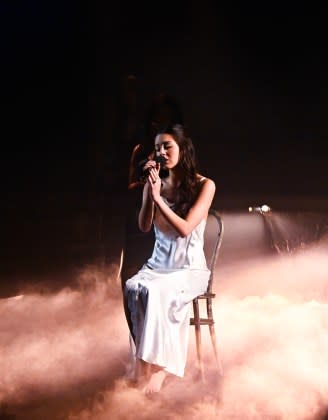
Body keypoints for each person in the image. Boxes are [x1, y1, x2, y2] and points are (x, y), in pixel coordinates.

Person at [125, 122, 216, 394]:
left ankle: (156, 370)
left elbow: (185, 229)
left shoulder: (205, 185)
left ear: (182, 149)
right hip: (158, 265)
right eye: (157, 148)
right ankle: (148, 366)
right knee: (134, 287)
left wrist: (159, 199)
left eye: (168, 146)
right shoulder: (154, 185)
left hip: (188, 269)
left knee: (155, 292)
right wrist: (149, 195)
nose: (162, 152)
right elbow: (143, 226)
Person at [120, 91, 185, 342]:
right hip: (139, 222)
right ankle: (139, 343)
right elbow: (129, 189)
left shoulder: (177, 149)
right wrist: (146, 179)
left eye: (165, 120)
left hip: (167, 223)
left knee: (159, 285)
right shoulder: (142, 149)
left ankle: (161, 347)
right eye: (155, 122)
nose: (159, 125)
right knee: (128, 280)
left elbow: (190, 185)